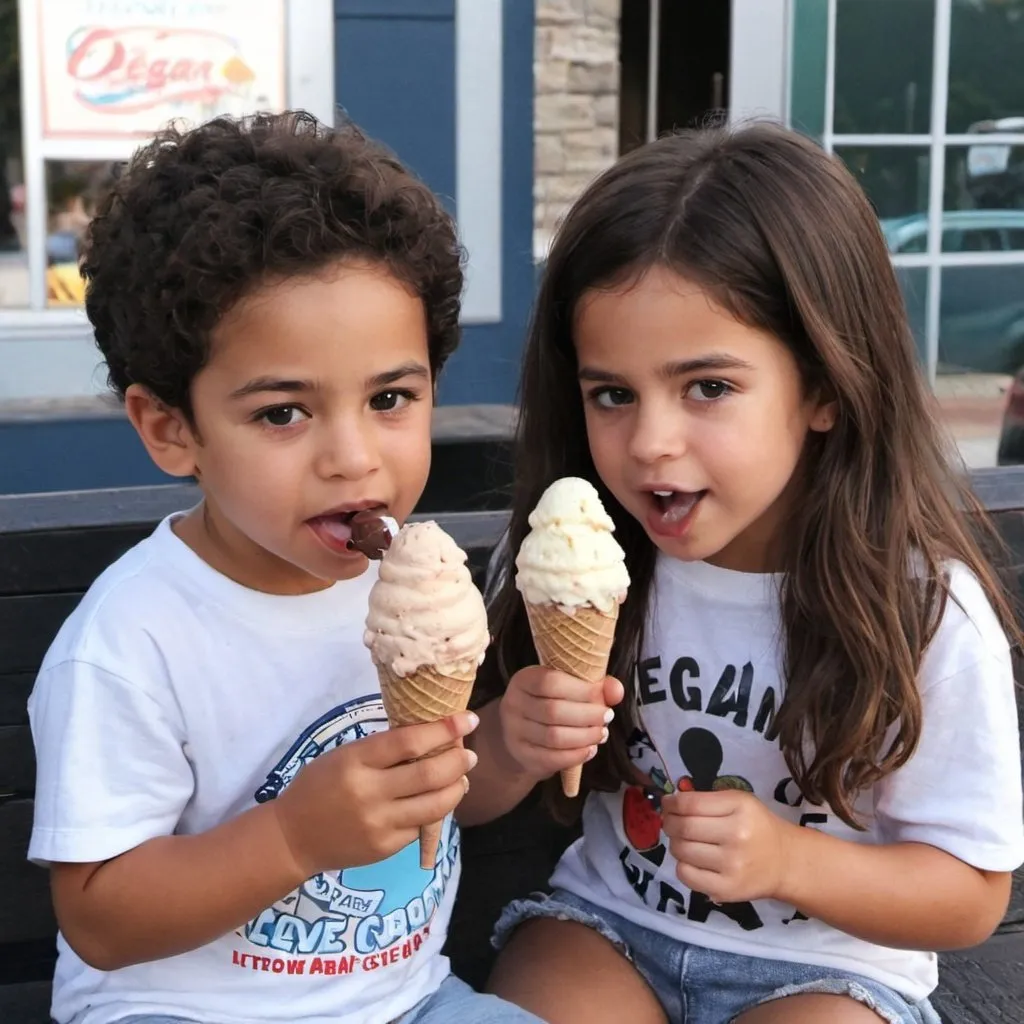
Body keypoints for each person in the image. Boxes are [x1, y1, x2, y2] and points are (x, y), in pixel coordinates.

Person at [463, 122, 1024, 1024]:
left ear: (826, 387)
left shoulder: (923, 612)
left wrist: (789, 862)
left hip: (833, 970)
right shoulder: (574, 562)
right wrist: (507, 742)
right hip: (608, 925)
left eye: (707, 388)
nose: (650, 442)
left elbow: (970, 895)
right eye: (613, 393)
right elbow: (458, 799)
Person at [27, 110, 542, 1024]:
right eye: (283, 414)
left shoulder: (419, 597)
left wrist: (508, 747)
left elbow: (441, 804)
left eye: (390, 398)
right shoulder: (132, 638)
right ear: (169, 429)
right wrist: (294, 836)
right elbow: (99, 916)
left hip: (406, 1003)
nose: (354, 458)